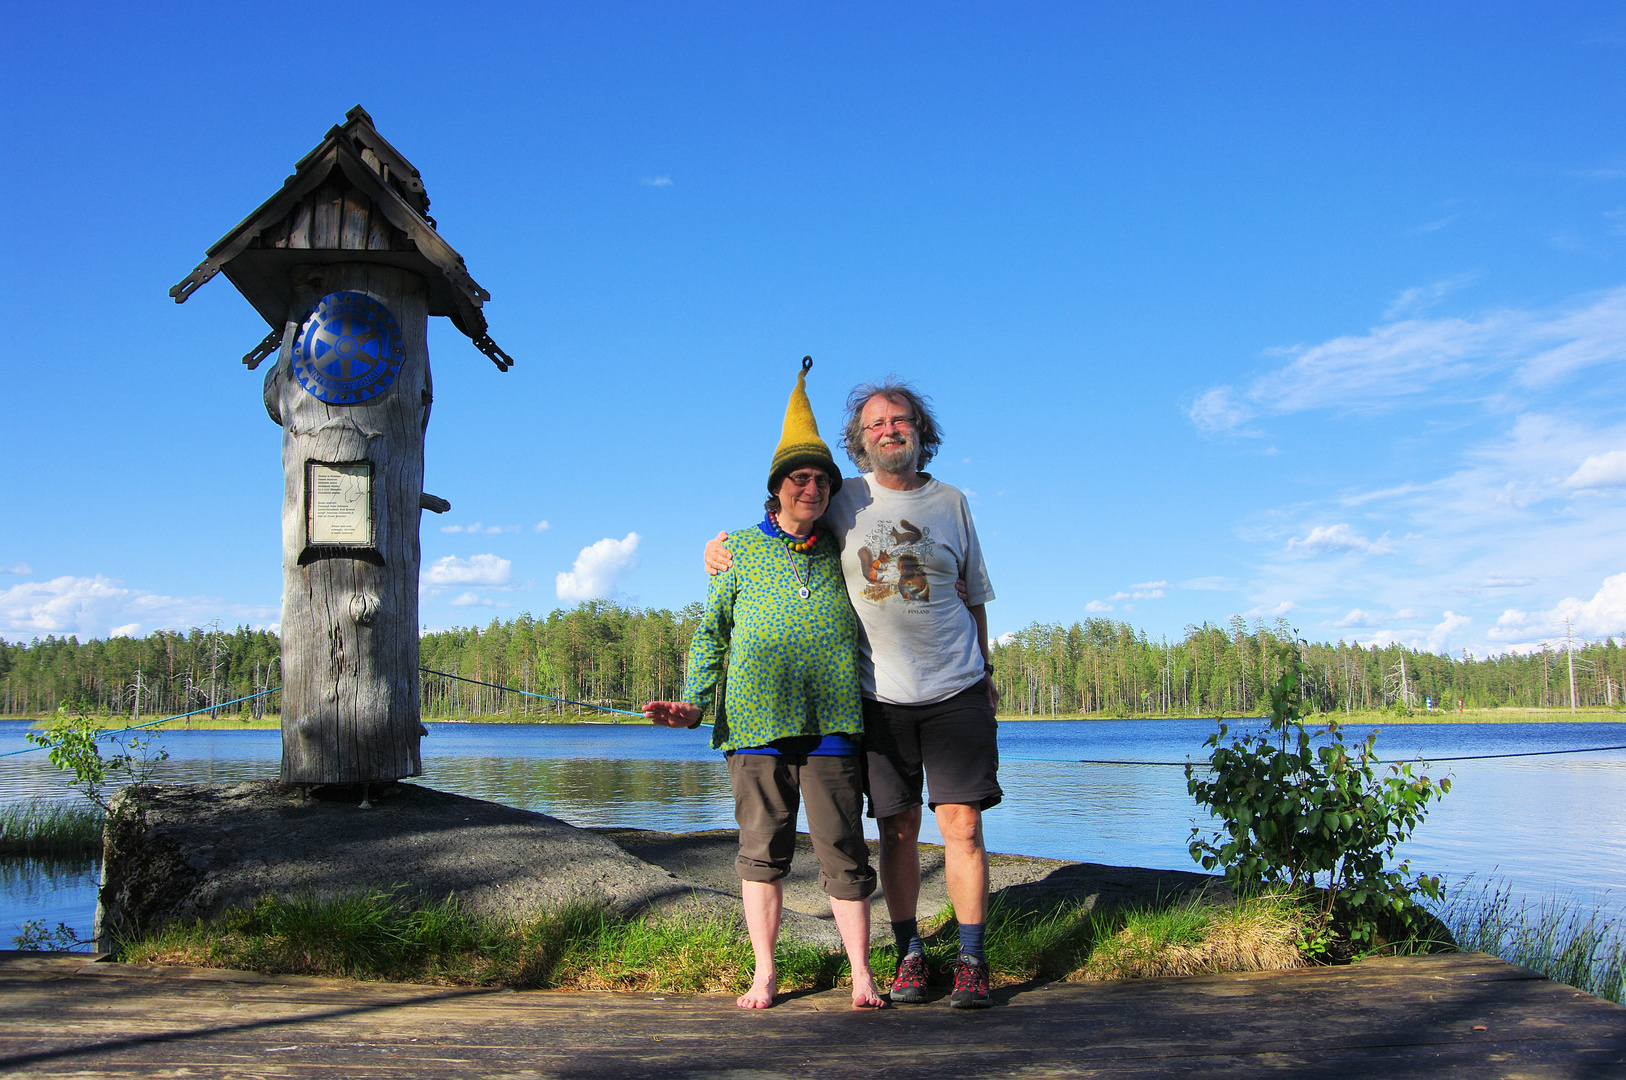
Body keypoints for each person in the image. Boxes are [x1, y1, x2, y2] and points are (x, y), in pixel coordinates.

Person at [705, 377, 999, 1010]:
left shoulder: (952, 501)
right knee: (895, 830)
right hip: (880, 698)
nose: (889, 430)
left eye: (901, 421)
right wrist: (718, 547)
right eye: (875, 424)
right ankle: (910, 952)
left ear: (921, 432)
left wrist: (988, 670)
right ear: (859, 441)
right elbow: (783, 518)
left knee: (964, 827)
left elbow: (974, 599)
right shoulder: (845, 499)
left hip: (957, 689)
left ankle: (973, 959)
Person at [645, 357, 885, 1011]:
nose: (810, 488)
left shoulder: (844, 545)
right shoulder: (738, 551)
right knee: (761, 852)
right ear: (776, 487)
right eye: (798, 478)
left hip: (833, 720)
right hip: (753, 723)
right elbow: (711, 635)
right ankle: (765, 973)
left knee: (843, 850)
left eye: (820, 479)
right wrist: (693, 704)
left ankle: (862, 974)